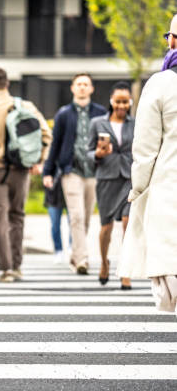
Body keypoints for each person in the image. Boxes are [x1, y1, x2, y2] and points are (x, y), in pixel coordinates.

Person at [119, 15, 177, 311]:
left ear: (173, 41)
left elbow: (145, 146)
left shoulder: (161, 84)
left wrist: (137, 187)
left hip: (169, 186)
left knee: (170, 258)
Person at [0, 68, 52, 282]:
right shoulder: (25, 106)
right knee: (17, 216)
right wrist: (39, 160)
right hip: (20, 169)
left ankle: (5, 269)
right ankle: (17, 265)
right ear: (7, 84)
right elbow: (46, 134)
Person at [43, 73, 107, 275]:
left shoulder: (101, 113)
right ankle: (81, 260)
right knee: (76, 215)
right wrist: (49, 171)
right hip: (71, 171)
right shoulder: (64, 114)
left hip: (94, 171)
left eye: (85, 84)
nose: (81, 87)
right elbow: (56, 144)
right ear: (72, 88)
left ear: (91, 88)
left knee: (86, 217)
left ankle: (76, 254)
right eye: (78, 84)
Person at [88, 81, 135, 290]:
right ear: (111, 101)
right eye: (118, 101)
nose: (122, 106)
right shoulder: (97, 123)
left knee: (128, 223)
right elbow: (86, 151)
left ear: (130, 102)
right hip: (106, 179)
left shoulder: (136, 123)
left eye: (125, 102)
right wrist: (97, 154)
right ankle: (105, 262)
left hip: (129, 178)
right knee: (106, 227)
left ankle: (125, 271)